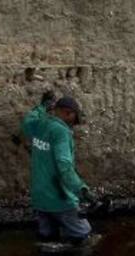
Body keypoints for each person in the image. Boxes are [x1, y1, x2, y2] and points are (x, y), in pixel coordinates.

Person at [21, 91, 93, 244]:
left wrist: (42, 106)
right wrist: (82, 190)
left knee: (47, 241)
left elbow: (27, 120)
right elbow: (65, 167)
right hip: (60, 198)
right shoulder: (61, 132)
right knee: (84, 236)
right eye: (74, 119)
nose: (73, 124)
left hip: (40, 198)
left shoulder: (39, 123)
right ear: (69, 114)